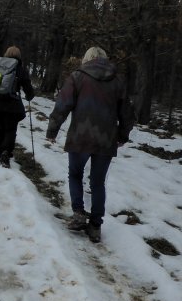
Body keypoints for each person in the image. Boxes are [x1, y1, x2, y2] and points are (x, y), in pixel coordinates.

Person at [46, 46, 135, 243]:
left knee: (75, 175)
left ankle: (78, 213)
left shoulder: (78, 77)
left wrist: (52, 130)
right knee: (97, 183)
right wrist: (122, 135)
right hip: (106, 139)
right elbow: (127, 113)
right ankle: (95, 225)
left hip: (80, 137)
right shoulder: (118, 80)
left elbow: (62, 105)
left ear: (86, 59)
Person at [0, 46, 34, 168]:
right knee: (10, 129)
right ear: (19, 56)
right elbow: (28, 87)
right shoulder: (20, 69)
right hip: (12, 104)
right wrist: (30, 96)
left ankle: (0, 151)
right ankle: (6, 152)